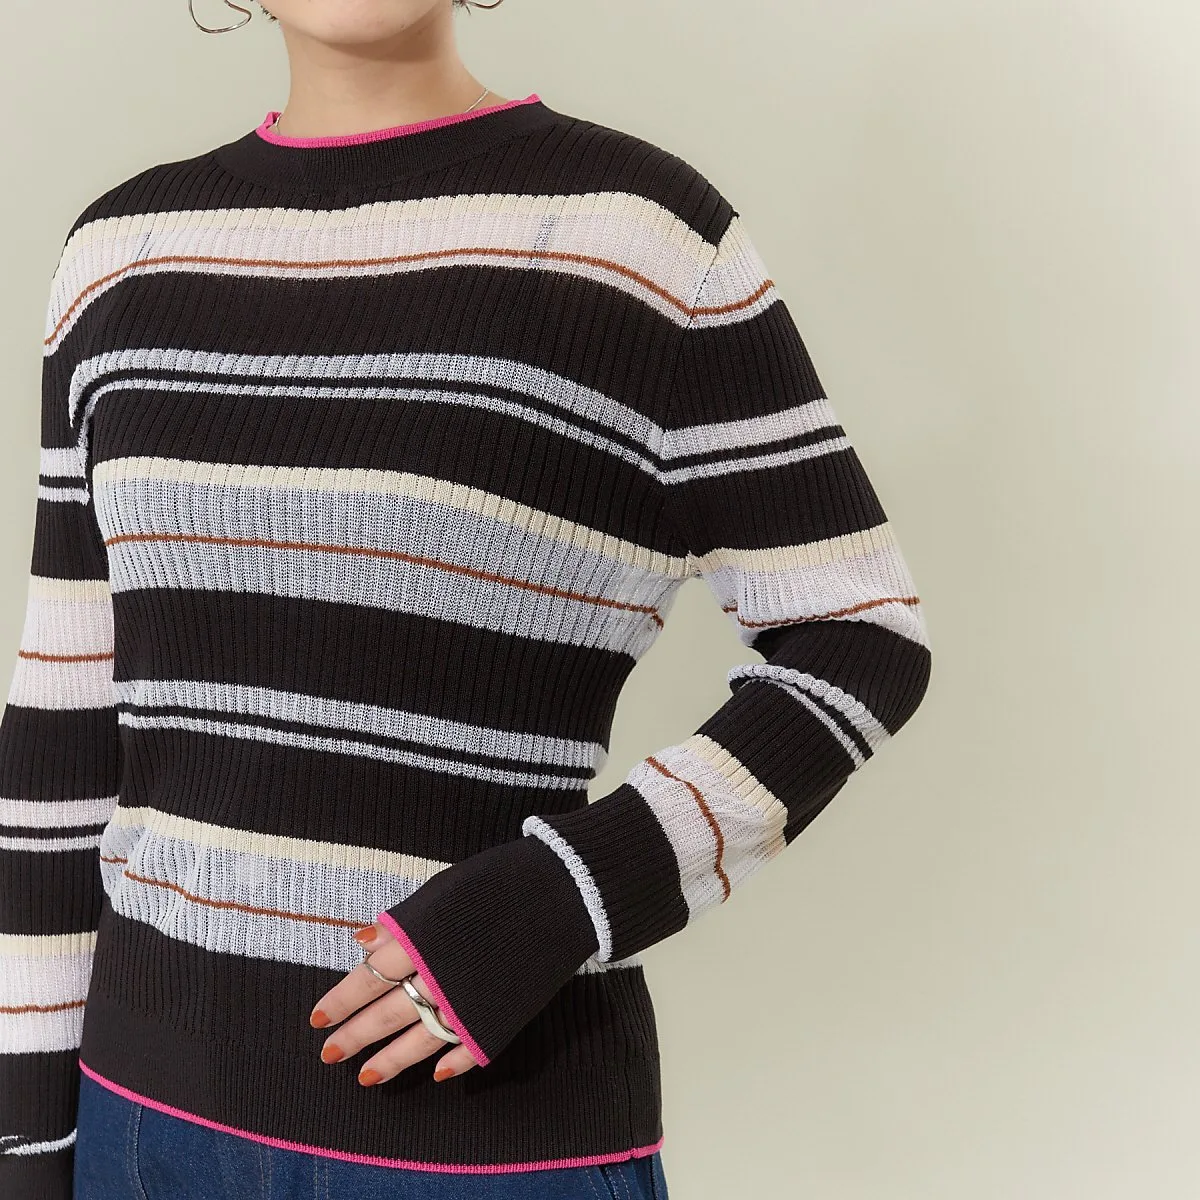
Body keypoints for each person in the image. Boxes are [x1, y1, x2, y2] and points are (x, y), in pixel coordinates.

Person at [0, 1, 933, 1197]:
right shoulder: (123, 253)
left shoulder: (636, 238)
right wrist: (27, 1139)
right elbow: (62, 731)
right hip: (138, 1129)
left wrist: (558, 901)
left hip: (483, 1145)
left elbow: (859, 634)